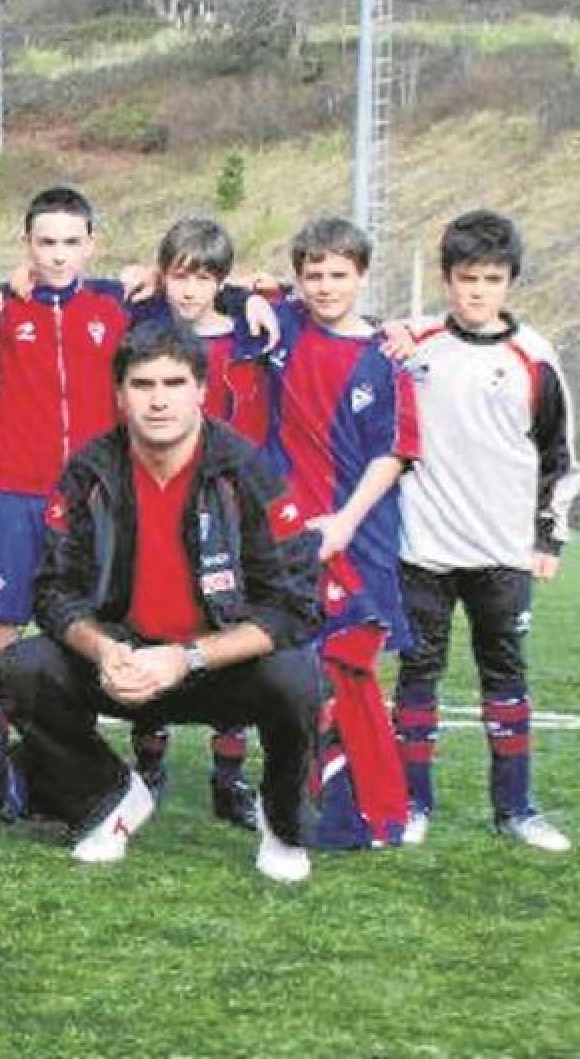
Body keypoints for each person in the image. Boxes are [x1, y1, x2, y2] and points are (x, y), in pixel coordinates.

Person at [0, 319, 323, 882]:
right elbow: (53, 591)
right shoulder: (90, 471)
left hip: (218, 668)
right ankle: (110, 797)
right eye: (143, 385)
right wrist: (102, 649)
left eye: (174, 384)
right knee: (21, 668)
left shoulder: (245, 471)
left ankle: (283, 822)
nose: (159, 400)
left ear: (201, 389)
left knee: (298, 677)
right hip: (124, 664)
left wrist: (186, 657)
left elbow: (294, 606)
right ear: (120, 395)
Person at [392, 210, 573, 852]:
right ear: (447, 280)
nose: (479, 291)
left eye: (493, 278)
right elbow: (335, 328)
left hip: (501, 553)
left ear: (511, 283)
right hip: (423, 549)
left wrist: (548, 538)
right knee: (418, 676)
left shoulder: (535, 358)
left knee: (506, 676)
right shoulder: (411, 343)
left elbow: (560, 457)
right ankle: (411, 804)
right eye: (467, 277)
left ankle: (516, 810)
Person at [264, 217, 419, 850]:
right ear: (298, 279)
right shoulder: (285, 326)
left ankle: (380, 810)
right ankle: (325, 803)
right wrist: (252, 291)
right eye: (313, 275)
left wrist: (345, 524)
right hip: (294, 537)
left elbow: (394, 453)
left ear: (361, 276)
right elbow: (210, 289)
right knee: (305, 670)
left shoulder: (387, 355)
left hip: (361, 536)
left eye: (338, 275)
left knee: (352, 668)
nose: (325, 287)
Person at [123, 217, 269, 830]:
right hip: (156, 500)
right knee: (154, 624)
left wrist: (253, 294)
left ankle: (228, 774)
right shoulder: (142, 330)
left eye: (203, 278)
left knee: (226, 631)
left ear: (221, 282)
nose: (188, 289)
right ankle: (149, 764)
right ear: (163, 276)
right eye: (178, 276)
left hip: (230, 511)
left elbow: (312, 295)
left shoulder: (253, 337)